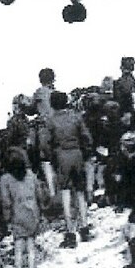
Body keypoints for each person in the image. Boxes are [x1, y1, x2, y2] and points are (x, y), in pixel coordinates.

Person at [40, 90, 94, 248]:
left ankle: (70, 232)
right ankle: (84, 227)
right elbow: (87, 137)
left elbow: (44, 143)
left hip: (61, 155)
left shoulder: (50, 120)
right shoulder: (76, 116)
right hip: (77, 153)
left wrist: (52, 155)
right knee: (80, 191)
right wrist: (84, 151)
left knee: (65, 193)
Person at [1, 147, 47, 268]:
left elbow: (6, 202)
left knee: (19, 249)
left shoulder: (5, 179)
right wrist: (42, 210)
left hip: (17, 214)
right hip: (32, 213)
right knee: (31, 247)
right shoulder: (31, 175)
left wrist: (7, 219)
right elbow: (39, 193)